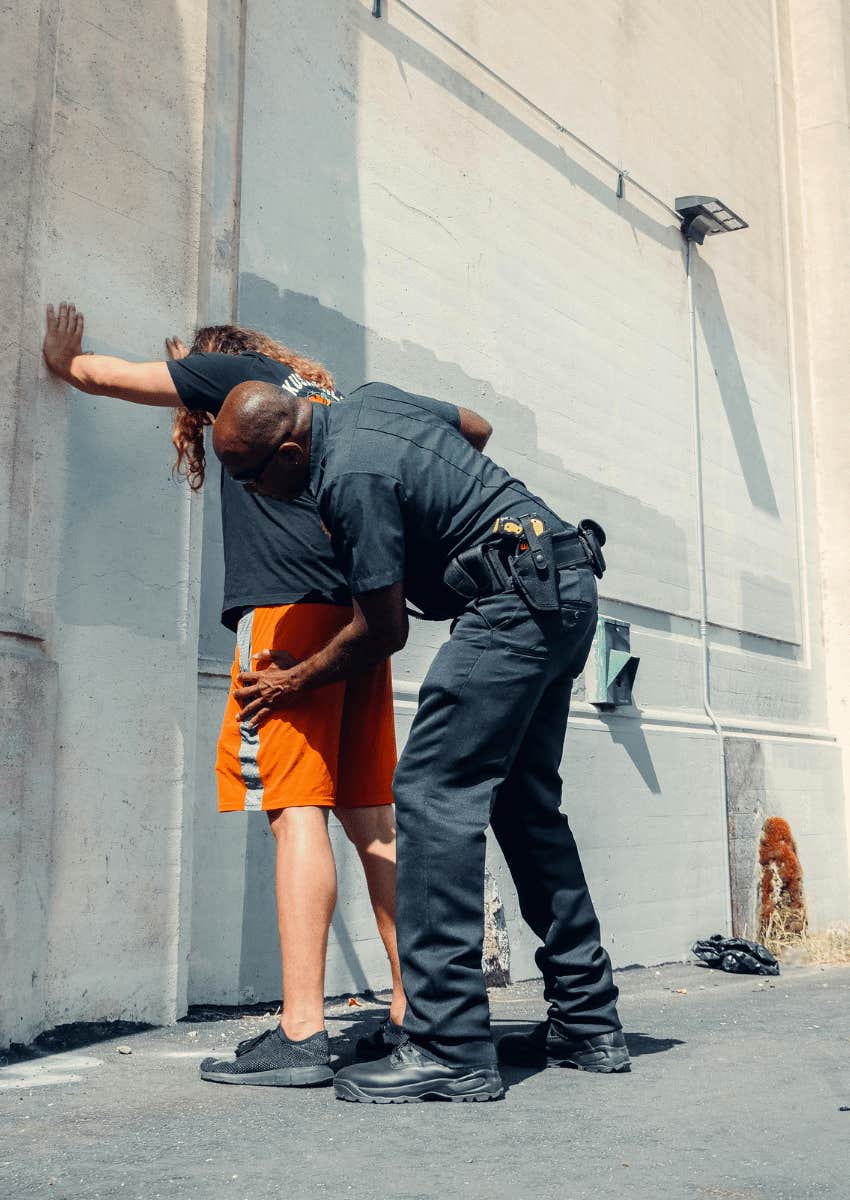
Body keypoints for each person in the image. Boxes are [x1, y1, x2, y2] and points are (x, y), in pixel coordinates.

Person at [211, 377, 630, 1104]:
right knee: (525, 806)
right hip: (562, 581)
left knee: (434, 793)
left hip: (513, 604)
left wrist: (293, 680)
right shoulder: (369, 402)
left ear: (285, 454)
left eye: (249, 479)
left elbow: (383, 631)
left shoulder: (348, 482)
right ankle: (589, 1023)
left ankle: (448, 1045)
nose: (251, 495)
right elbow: (474, 426)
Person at [42, 302, 406, 1087]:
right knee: (372, 817)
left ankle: (304, 1031)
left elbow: (112, 378)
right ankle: (418, 1010)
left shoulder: (223, 373)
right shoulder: (312, 399)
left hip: (285, 626)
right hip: (357, 625)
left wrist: (66, 359)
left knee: (295, 811)